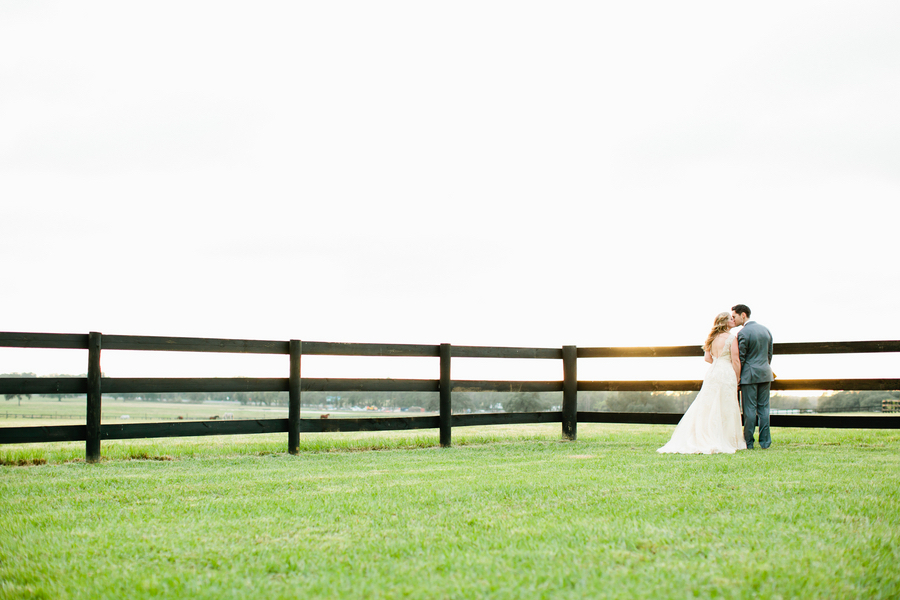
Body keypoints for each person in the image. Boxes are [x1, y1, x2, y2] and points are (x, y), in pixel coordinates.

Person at [658, 312, 746, 454]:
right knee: (726, 404)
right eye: (731, 319)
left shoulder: (711, 338)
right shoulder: (731, 338)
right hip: (726, 372)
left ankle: (704, 434)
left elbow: (707, 359)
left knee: (708, 404)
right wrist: (737, 378)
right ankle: (726, 438)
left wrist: (718, 362)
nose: (733, 320)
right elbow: (735, 360)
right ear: (724, 322)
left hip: (713, 372)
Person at [731, 304, 774, 449]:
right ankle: (765, 442)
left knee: (749, 410)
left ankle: (748, 442)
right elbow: (769, 354)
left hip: (749, 376)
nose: (733, 319)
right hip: (765, 373)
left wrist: (737, 377)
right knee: (764, 409)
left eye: (734, 316)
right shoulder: (765, 330)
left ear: (743, 315)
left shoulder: (742, 333)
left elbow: (741, 358)